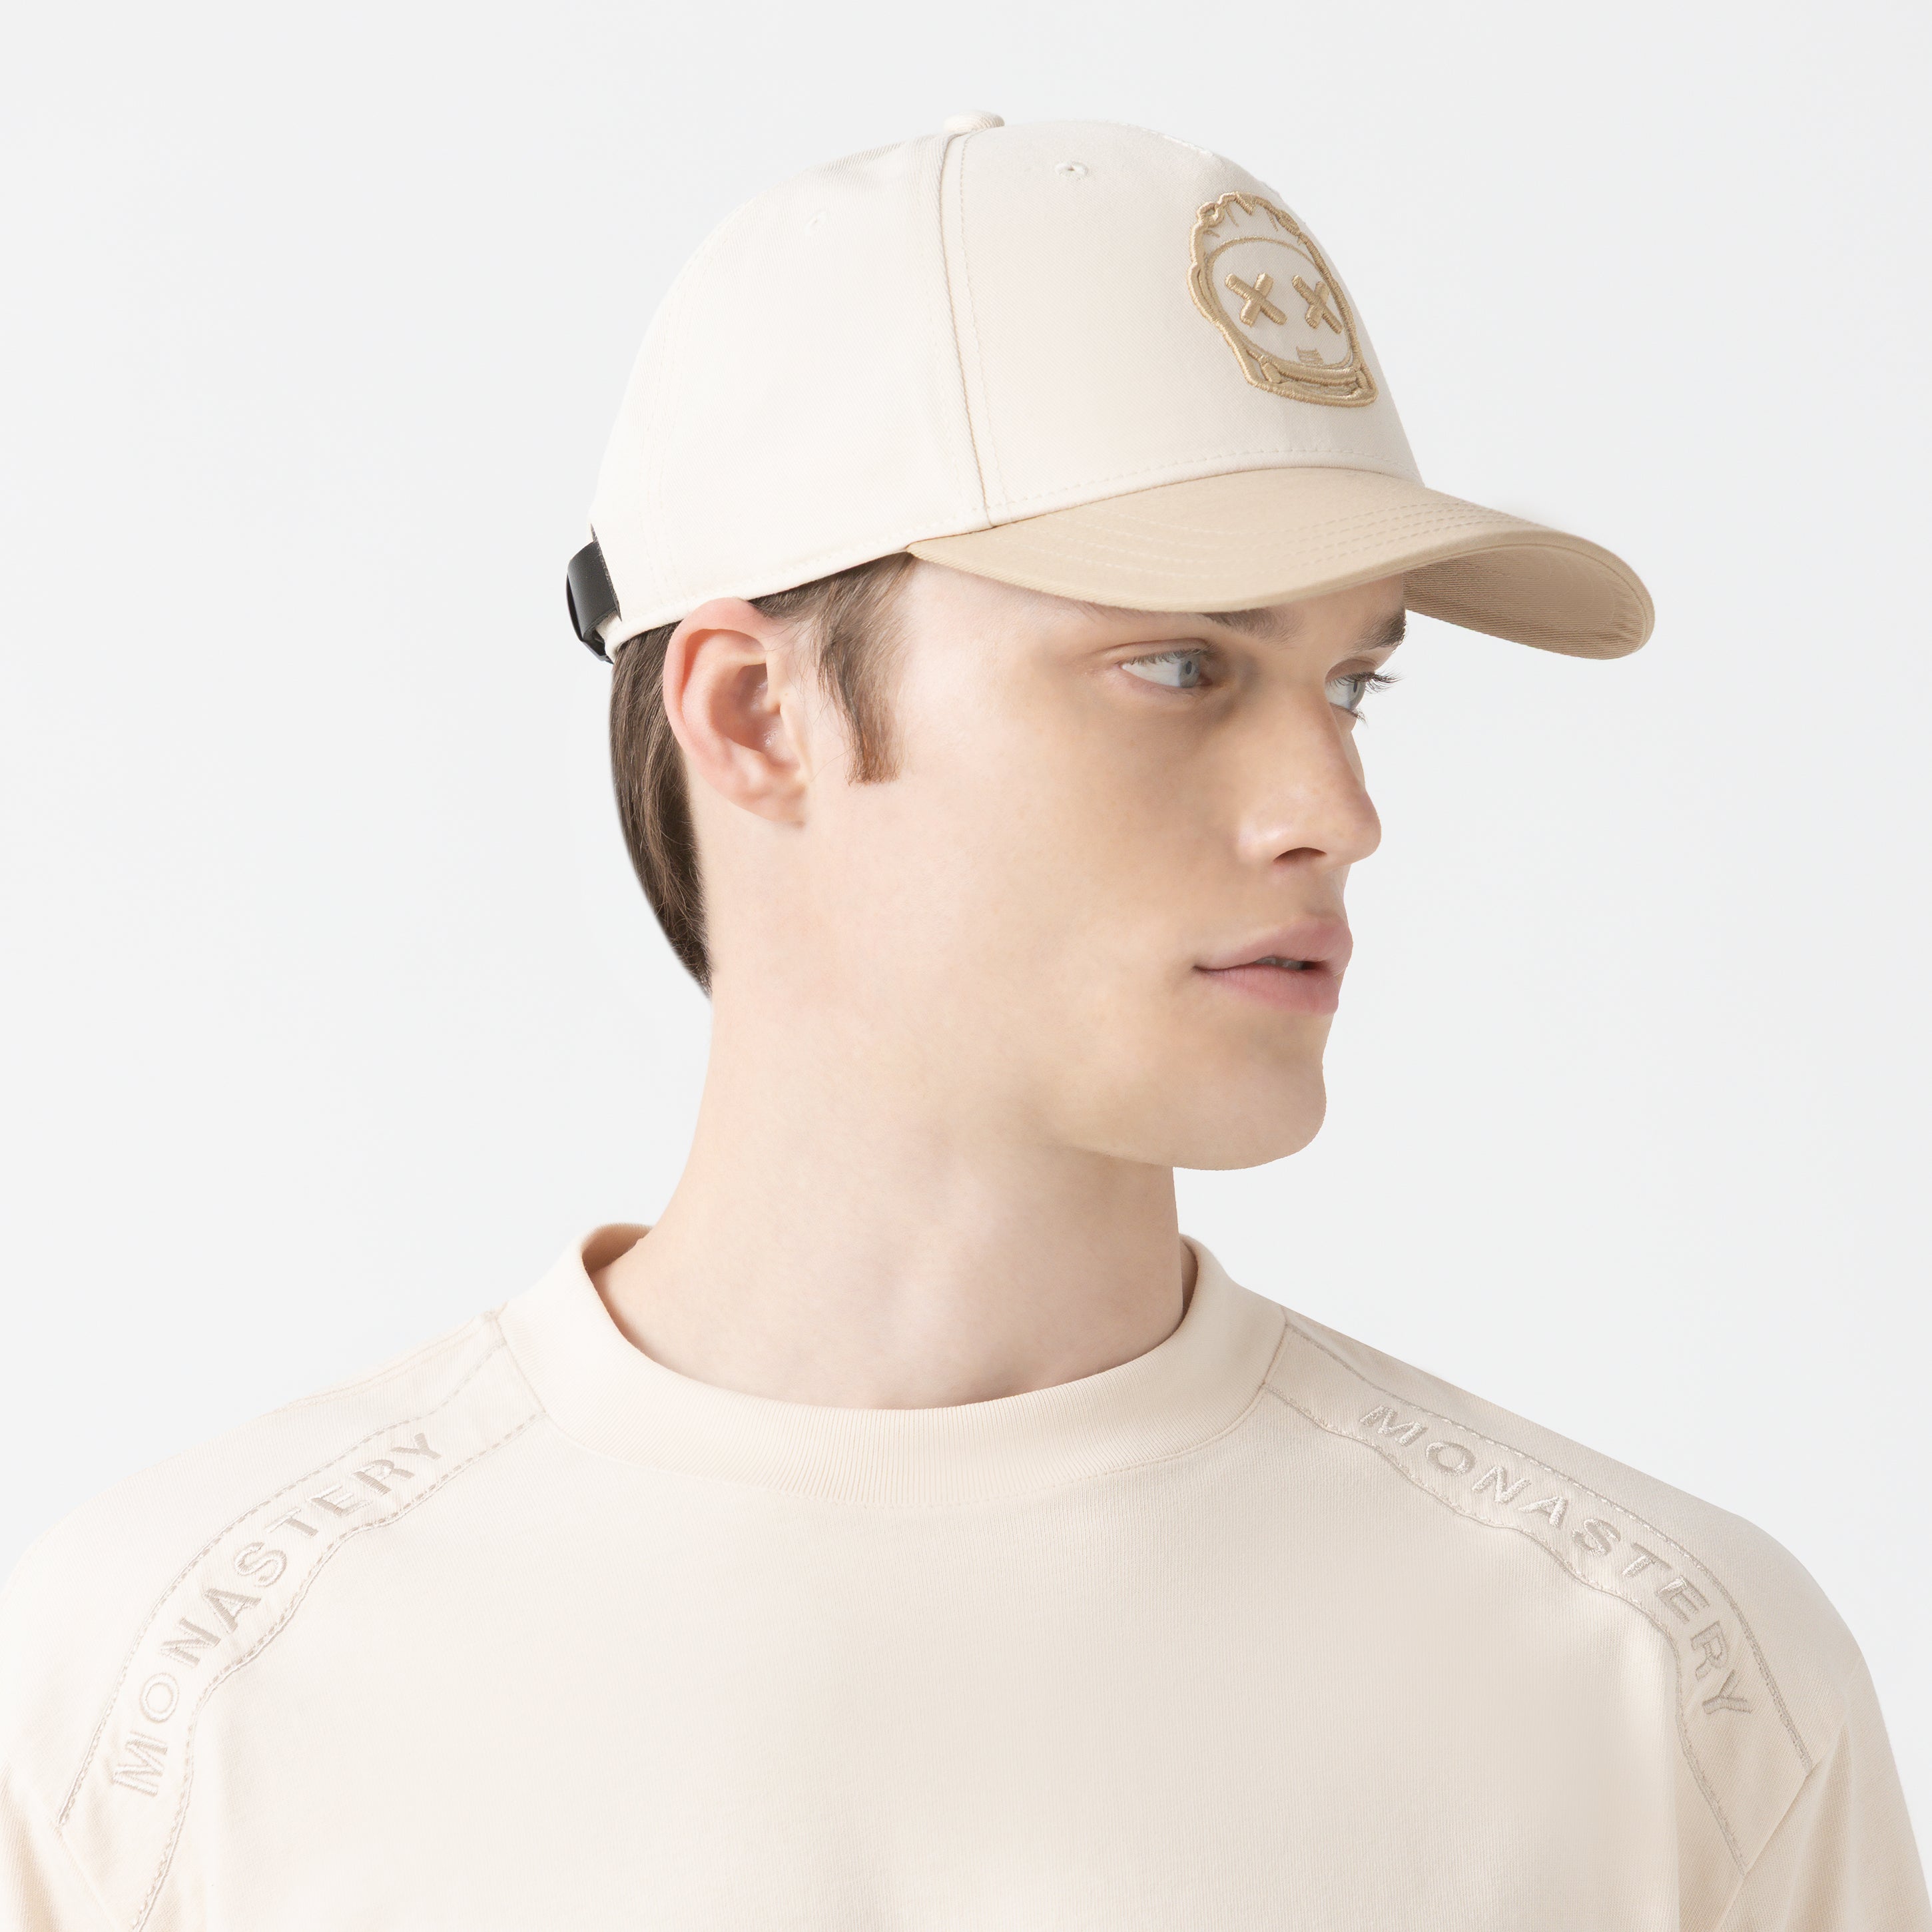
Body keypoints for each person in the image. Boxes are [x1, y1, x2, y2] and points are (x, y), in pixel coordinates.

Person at [2, 111, 1923, 1932]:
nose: (1335, 810)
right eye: (1180, 665)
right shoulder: (178, 1702)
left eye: (1355, 682)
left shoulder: (1666, 1694)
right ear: (755, 713)